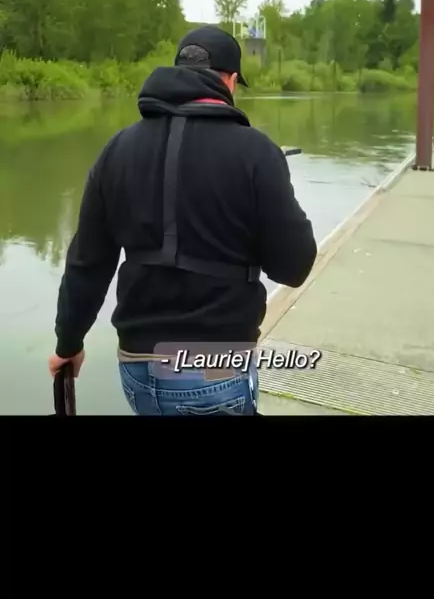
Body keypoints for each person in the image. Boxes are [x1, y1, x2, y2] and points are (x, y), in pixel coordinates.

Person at [48, 26, 317, 415]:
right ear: (230, 81)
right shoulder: (256, 151)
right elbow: (294, 267)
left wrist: (67, 344)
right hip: (214, 367)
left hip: (137, 367)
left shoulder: (117, 149)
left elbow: (87, 264)